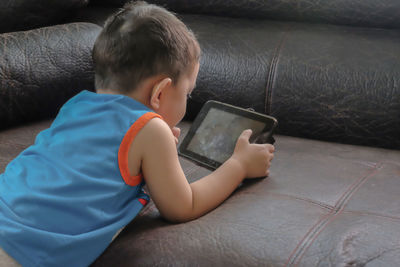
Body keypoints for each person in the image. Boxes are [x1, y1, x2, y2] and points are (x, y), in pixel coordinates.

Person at [0, 1, 275, 266]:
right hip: (22, 247)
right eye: (187, 93)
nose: (187, 99)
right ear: (160, 92)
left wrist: (149, 147)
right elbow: (183, 206)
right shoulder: (150, 129)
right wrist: (238, 165)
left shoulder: (77, 104)